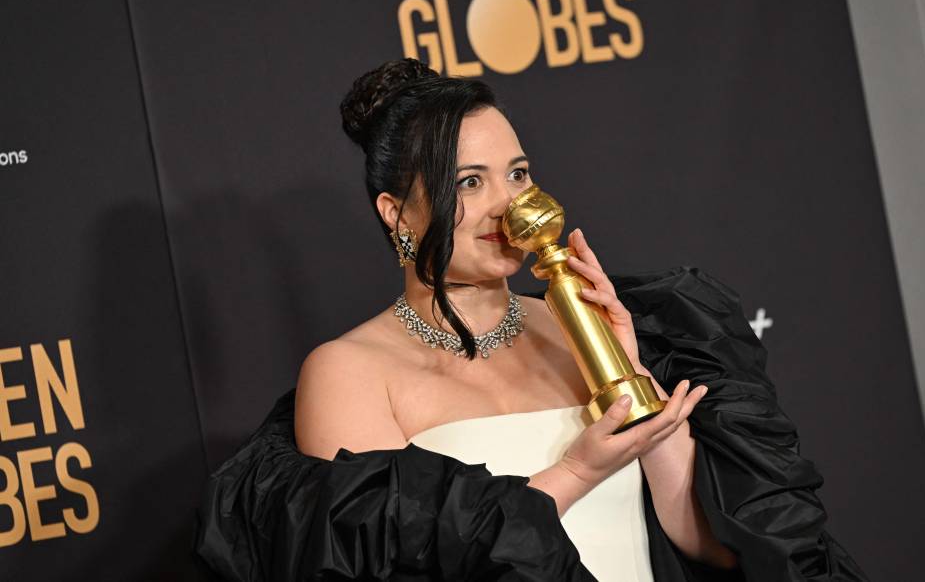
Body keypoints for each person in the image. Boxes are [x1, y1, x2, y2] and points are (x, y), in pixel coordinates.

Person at [193, 59, 869, 582]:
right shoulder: (349, 373)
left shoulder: (580, 326)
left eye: (516, 174)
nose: (508, 205)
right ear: (396, 213)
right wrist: (574, 472)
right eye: (468, 182)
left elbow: (715, 548)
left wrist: (625, 368)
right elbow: (391, 567)